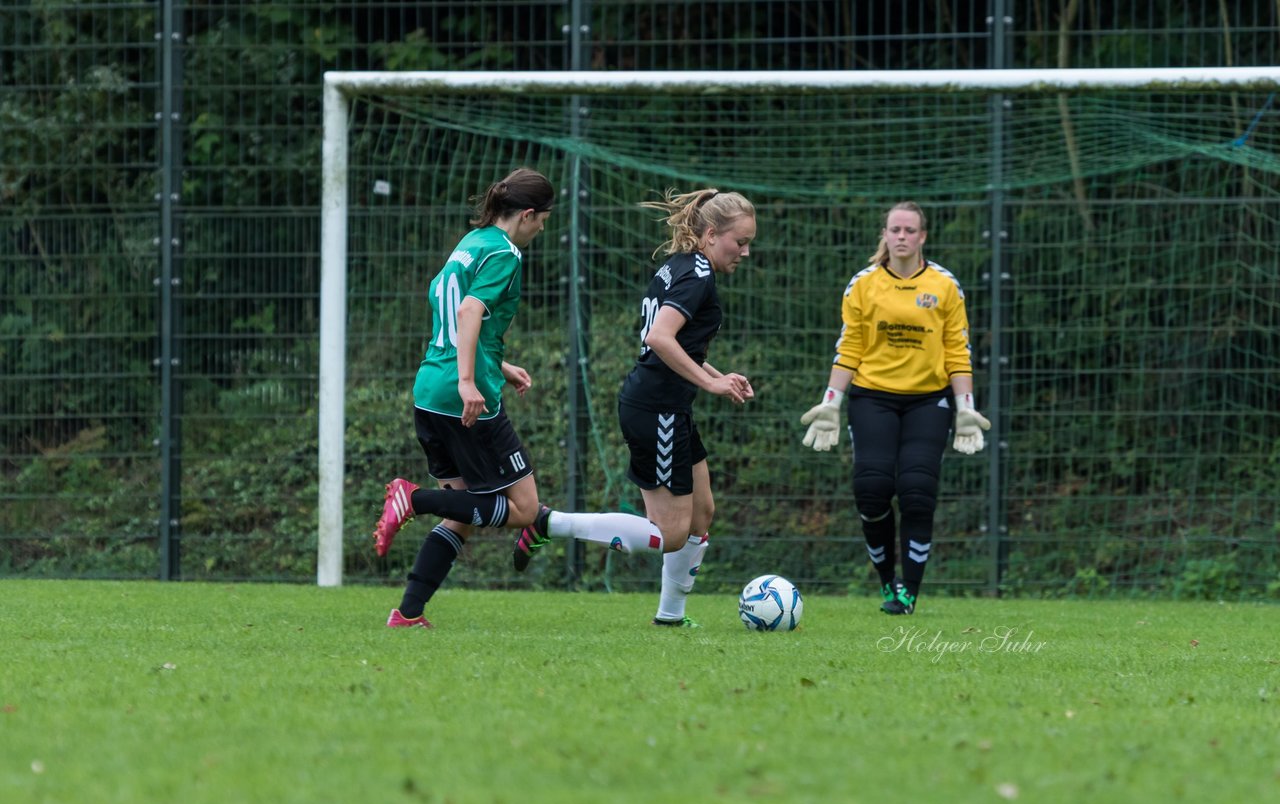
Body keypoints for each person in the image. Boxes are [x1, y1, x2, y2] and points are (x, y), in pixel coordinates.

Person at [375, 168, 665, 628]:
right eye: (543, 221)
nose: (542, 229)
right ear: (528, 214)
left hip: (429, 390)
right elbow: (470, 310)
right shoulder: (505, 253)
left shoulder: (471, 242)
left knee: (465, 511)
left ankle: (408, 613)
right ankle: (413, 499)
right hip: (465, 397)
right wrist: (470, 379)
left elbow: (448, 307)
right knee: (525, 509)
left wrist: (497, 363)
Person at [511, 188, 758, 628]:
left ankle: (670, 617)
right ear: (710, 233)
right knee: (669, 535)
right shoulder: (697, 275)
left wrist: (715, 376)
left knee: (702, 514)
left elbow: (675, 344)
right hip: (657, 408)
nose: (745, 251)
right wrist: (710, 383)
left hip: (669, 405)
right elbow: (658, 339)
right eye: (739, 242)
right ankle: (551, 523)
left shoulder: (681, 266)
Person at [800, 201, 990, 616]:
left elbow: (958, 350)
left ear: (923, 237)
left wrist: (965, 407)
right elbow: (849, 347)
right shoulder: (863, 285)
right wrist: (831, 401)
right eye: (894, 230)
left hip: (928, 400)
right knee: (872, 491)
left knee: (918, 492)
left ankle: (909, 592)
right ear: (884, 235)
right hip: (873, 398)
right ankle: (888, 581)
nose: (901, 237)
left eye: (909, 230)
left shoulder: (944, 285)